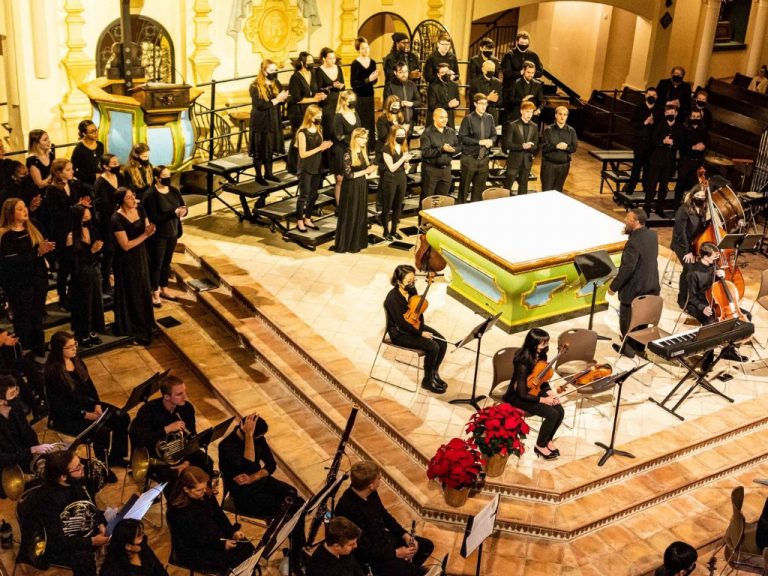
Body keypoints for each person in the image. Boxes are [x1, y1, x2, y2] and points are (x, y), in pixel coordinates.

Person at [218, 414, 306, 569]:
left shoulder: (259, 439)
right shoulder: (226, 446)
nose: (259, 439)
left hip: (259, 482)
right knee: (290, 510)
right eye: (255, 436)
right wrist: (249, 437)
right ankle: (296, 554)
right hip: (244, 495)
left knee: (295, 497)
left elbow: (270, 465)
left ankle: (298, 549)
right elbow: (248, 466)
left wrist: (254, 477)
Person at [45, 331, 130, 471]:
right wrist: (86, 415)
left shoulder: (76, 360)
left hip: (86, 404)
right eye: (70, 347)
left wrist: (96, 404)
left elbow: (90, 385)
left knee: (122, 417)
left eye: (75, 344)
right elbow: (61, 406)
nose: (74, 349)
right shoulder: (53, 373)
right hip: (68, 416)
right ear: (59, 349)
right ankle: (104, 467)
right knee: (102, 430)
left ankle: (116, 457)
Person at [335, 461, 434, 576]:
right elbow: (363, 549)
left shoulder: (370, 493)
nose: (380, 479)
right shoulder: (347, 508)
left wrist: (404, 535)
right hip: (372, 558)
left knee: (425, 546)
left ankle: (408, 568)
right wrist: (395, 553)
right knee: (414, 572)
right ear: (370, 485)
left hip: (383, 541)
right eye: (378, 478)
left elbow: (385, 516)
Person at [33, 450, 109, 576]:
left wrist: (101, 523)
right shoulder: (46, 500)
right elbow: (58, 540)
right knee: (83, 559)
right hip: (61, 545)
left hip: (83, 533)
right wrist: (92, 541)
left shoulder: (76, 483)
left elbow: (92, 508)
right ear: (63, 476)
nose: (83, 467)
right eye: (78, 467)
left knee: (124, 530)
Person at [167, 466, 255, 573]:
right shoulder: (177, 510)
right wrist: (221, 545)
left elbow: (218, 514)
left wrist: (232, 532)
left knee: (247, 547)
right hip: (194, 549)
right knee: (234, 560)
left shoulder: (205, 492)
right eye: (199, 490)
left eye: (204, 488)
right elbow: (194, 537)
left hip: (212, 536)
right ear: (186, 489)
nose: (204, 492)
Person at [129, 374, 212, 484]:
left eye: (184, 392)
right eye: (179, 394)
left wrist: (187, 462)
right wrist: (166, 430)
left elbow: (192, 438)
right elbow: (140, 439)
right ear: (167, 397)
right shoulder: (148, 410)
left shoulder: (187, 408)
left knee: (207, 462)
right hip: (156, 456)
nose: (184, 397)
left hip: (181, 451)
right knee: (173, 479)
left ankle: (206, 493)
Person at [0, 198, 53, 359]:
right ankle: (25, 352)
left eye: (25, 207)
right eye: (20, 209)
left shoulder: (33, 225)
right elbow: (11, 261)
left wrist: (44, 250)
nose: (25, 210)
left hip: (38, 279)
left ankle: (38, 350)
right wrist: (37, 252)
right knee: (24, 317)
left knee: (37, 316)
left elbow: (40, 248)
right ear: (10, 213)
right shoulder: (6, 235)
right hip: (20, 283)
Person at [686, 242, 749, 372]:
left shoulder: (714, 266)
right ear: (705, 256)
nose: (717, 259)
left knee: (746, 316)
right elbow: (692, 298)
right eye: (714, 257)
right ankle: (708, 358)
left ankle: (729, 350)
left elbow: (719, 288)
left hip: (717, 302)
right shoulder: (693, 273)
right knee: (712, 324)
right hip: (700, 305)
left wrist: (722, 277)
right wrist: (703, 307)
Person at [502, 328, 564, 459]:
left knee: (560, 410)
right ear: (533, 343)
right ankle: (540, 446)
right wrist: (544, 400)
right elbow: (522, 393)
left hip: (534, 390)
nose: (546, 346)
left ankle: (547, 440)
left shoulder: (542, 354)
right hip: (518, 396)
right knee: (552, 414)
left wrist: (551, 393)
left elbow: (542, 379)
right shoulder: (522, 361)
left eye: (546, 342)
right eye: (543, 343)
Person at [384, 265, 448, 393]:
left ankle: (434, 373)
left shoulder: (411, 290)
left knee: (442, 341)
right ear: (398, 282)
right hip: (399, 333)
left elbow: (417, 310)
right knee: (433, 347)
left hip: (414, 325)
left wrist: (421, 326)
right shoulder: (393, 298)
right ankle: (427, 380)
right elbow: (401, 324)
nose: (412, 284)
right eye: (409, 281)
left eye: (413, 280)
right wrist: (420, 333)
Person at [608, 208, 660, 358]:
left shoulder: (633, 243)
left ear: (636, 222)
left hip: (634, 289)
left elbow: (627, 268)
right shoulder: (652, 235)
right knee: (642, 318)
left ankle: (628, 349)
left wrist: (613, 286)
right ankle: (639, 347)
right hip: (650, 285)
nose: (625, 220)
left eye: (628, 218)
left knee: (628, 319)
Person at [111, 187, 155, 345]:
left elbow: (147, 227)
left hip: (141, 255)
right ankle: (134, 327)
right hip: (127, 260)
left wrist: (149, 231)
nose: (133, 199)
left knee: (143, 288)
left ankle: (146, 323)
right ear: (122, 201)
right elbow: (126, 245)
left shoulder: (141, 209)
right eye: (129, 197)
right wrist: (145, 235)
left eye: (133, 196)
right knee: (132, 291)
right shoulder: (116, 219)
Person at [0, 375, 55, 497]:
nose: (17, 395)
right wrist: (31, 451)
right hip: (9, 468)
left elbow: (28, 433)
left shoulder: (16, 408)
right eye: (12, 393)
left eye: (16, 390)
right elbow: (2, 458)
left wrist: (38, 454)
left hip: (26, 456)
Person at [46, 158, 90, 310]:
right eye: (68, 170)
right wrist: (77, 206)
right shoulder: (52, 190)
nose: (72, 172)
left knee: (76, 264)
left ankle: (74, 295)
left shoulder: (73, 184)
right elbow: (55, 213)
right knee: (64, 267)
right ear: (59, 172)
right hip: (61, 231)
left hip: (75, 228)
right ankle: (62, 298)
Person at [144, 165, 186, 306]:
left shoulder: (174, 190)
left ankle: (164, 288)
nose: (168, 178)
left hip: (173, 232)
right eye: (165, 176)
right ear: (157, 178)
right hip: (158, 235)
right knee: (157, 264)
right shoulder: (150, 194)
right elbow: (154, 217)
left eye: (169, 175)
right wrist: (173, 214)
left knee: (166, 263)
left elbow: (182, 206)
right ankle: (154, 292)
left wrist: (183, 211)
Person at [68, 205, 105, 346]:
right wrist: (91, 251)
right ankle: (82, 333)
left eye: (89, 217)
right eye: (85, 217)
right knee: (83, 304)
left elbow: (99, 252)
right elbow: (72, 261)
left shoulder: (93, 230)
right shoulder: (72, 236)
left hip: (94, 271)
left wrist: (97, 251)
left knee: (96, 302)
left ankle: (92, 331)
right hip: (80, 275)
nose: (87, 220)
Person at [249, 60, 288, 186]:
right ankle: (258, 176)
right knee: (260, 149)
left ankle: (269, 173)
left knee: (269, 147)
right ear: (264, 71)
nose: (274, 73)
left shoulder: (275, 83)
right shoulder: (255, 86)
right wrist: (277, 100)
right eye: (271, 71)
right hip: (261, 120)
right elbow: (260, 105)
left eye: (275, 70)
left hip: (273, 118)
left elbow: (280, 100)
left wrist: (284, 98)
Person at [335, 128, 374, 254]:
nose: (365, 141)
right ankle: (348, 243)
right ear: (355, 138)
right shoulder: (347, 153)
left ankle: (358, 242)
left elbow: (365, 169)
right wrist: (365, 171)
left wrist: (371, 168)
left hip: (361, 185)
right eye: (362, 138)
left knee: (360, 212)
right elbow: (349, 175)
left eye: (366, 138)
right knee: (351, 213)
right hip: (351, 187)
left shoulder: (363, 151)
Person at [287, 51, 326, 174]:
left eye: (312, 61)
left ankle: (310, 164)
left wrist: (319, 95)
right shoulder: (295, 77)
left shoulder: (313, 73)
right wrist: (314, 99)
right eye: (309, 61)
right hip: (299, 112)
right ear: (302, 63)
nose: (311, 63)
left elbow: (313, 91)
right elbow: (297, 98)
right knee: (298, 138)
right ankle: (293, 166)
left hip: (310, 110)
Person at [295, 105, 333, 233]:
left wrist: (326, 146)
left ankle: (308, 218)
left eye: (320, 117)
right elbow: (303, 154)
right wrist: (320, 148)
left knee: (313, 195)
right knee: (304, 196)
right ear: (310, 117)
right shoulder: (302, 132)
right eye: (318, 117)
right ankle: (299, 221)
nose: (320, 119)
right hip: (306, 167)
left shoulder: (319, 128)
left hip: (317, 166)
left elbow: (320, 146)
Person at [671, 182, 709, 309]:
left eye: (703, 196)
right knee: (689, 268)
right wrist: (688, 251)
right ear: (692, 196)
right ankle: (682, 299)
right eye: (698, 195)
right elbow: (680, 233)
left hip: (694, 245)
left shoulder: (703, 209)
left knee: (703, 267)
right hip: (681, 244)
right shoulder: (683, 210)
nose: (700, 198)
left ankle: (696, 297)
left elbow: (702, 229)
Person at [644, 102, 684, 217]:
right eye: (668, 113)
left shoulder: (679, 127)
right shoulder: (659, 125)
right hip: (657, 160)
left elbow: (681, 143)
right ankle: (647, 206)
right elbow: (653, 140)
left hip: (669, 161)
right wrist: (663, 141)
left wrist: (673, 143)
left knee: (663, 186)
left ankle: (659, 208)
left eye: (672, 113)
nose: (670, 114)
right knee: (652, 185)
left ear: (676, 113)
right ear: (665, 113)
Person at [93, 153, 124, 295]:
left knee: (120, 251)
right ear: (105, 166)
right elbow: (102, 205)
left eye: (117, 162)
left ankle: (120, 279)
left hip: (121, 219)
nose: (117, 165)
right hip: (107, 222)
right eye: (113, 163)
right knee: (109, 252)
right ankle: (106, 282)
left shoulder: (120, 177)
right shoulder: (100, 183)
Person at [458, 93, 496, 203]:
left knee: (479, 191)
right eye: (481, 103)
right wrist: (480, 142)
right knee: (464, 189)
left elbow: (494, 135)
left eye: (486, 103)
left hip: (484, 159)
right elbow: (462, 137)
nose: (484, 106)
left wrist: (491, 141)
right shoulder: (468, 119)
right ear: (475, 104)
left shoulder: (489, 118)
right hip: (470, 159)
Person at [624, 87, 661, 195]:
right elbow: (632, 124)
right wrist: (645, 122)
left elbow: (659, 128)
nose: (651, 97)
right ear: (645, 95)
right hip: (639, 143)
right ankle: (630, 190)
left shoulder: (658, 110)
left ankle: (646, 190)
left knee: (648, 169)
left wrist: (653, 123)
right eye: (649, 95)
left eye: (654, 95)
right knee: (636, 167)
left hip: (651, 145)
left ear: (657, 97)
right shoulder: (639, 108)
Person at [100, 518, 168, 576]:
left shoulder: (141, 546)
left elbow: (158, 567)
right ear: (128, 546)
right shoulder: (113, 571)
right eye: (139, 537)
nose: (143, 538)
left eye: (142, 534)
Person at [501, 31, 543, 121]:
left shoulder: (533, 55)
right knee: (511, 119)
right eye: (521, 43)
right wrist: (520, 73)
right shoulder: (509, 55)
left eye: (526, 43)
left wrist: (529, 73)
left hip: (528, 89)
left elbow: (540, 72)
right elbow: (507, 73)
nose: (524, 45)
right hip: (513, 92)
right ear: (517, 42)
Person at [420, 108, 461, 201]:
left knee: (442, 200)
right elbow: (425, 152)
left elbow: (459, 146)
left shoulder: (451, 131)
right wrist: (441, 149)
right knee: (428, 200)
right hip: (431, 171)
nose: (444, 120)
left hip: (446, 170)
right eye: (441, 117)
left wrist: (453, 150)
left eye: (446, 117)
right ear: (434, 118)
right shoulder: (427, 133)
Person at [380, 127, 412, 240]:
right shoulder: (386, 148)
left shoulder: (404, 147)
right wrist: (403, 159)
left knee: (398, 206)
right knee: (388, 206)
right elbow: (392, 168)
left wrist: (407, 162)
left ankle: (394, 230)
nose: (401, 137)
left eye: (403, 135)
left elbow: (406, 166)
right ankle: (385, 231)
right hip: (390, 179)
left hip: (401, 178)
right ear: (393, 135)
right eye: (399, 135)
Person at [331, 90, 362, 204]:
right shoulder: (338, 116)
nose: (353, 102)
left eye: (354, 100)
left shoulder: (356, 114)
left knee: (353, 179)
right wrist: (353, 138)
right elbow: (338, 136)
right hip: (341, 150)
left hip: (354, 150)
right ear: (344, 101)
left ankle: (351, 204)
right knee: (340, 180)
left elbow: (359, 130)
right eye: (350, 100)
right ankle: (340, 206)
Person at [673, 109, 707, 207]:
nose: (696, 118)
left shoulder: (703, 130)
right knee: (681, 184)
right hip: (685, 161)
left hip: (697, 162)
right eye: (694, 116)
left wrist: (704, 146)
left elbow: (708, 143)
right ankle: (676, 206)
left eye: (698, 117)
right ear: (690, 117)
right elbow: (680, 144)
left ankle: (690, 206)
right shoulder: (684, 128)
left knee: (694, 186)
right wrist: (693, 147)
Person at [503, 101, 539, 194]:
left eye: (531, 112)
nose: (529, 114)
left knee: (523, 188)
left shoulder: (534, 126)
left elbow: (536, 144)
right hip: (514, 160)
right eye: (527, 111)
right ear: (521, 111)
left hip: (527, 161)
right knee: (507, 186)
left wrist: (531, 147)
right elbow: (507, 144)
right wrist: (522, 146)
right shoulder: (513, 125)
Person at [540, 106, 578, 192]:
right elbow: (544, 147)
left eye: (565, 115)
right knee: (546, 191)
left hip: (564, 166)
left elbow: (574, 148)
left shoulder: (571, 131)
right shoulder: (548, 130)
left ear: (567, 117)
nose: (562, 117)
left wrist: (566, 147)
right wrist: (556, 146)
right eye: (560, 114)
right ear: (556, 115)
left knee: (558, 191)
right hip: (549, 166)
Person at [350, 36, 378, 153]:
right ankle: (359, 148)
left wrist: (374, 79)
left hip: (369, 96)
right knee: (360, 121)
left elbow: (374, 81)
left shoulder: (372, 62)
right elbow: (354, 84)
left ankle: (369, 147)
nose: (365, 50)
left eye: (367, 48)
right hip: (360, 97)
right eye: (362, 48)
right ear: (358, 49)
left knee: (369, 122)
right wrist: (368, 79)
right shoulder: (355, 64)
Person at [316, 47, 346, 153]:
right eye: (330, 58)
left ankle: (338, 154)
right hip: (326, 103)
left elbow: (343, 86)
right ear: (324, 59)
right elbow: (319, 88)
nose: (332, 60)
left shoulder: (338, 68)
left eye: (334, 58)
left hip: (338, 102)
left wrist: (340, 86)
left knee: (338, 128)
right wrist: (332, 85)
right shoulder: (319, 70)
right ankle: (327, 159)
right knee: (329, 128)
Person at [383, 62, 421, 130]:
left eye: (406, 71)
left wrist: (411, 104)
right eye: (401, 72)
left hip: (410, 122)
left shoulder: (411, 84)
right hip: (395, 123)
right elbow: (386, 105)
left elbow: (419, 101)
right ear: (395, 72)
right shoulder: (389, 85)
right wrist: (400, 103)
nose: (404, 74)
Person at [375, 95, 407, 169]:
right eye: (394, 105)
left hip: (398, 149)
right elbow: (384, 136)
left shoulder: (400, 117)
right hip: (385, 149)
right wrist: (396, 131)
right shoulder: (382, 119)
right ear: (388, 105)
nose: (397, 107)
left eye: (398, 105)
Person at [70, 120, 104, 188]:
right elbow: (73, 171)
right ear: (84, 134)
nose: (96, 133)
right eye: (92, 132)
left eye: (96, 130)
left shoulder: (100, 145)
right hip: (87, 184)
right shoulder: (79, 149)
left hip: (100, 180)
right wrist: (93, 176)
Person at [427, 62, 461, 128]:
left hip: (449, 120)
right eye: (443, 73)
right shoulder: (433, 87)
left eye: (447, 72)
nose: (446, 75)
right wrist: (448, 105)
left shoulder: (454, 85)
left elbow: (458, 101)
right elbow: (432, 106)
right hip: (436, 121)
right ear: (438, 74)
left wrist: (456, 103)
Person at [469, 59, 503, 123]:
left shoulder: (498, 83)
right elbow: (472, 100)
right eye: (489, 68)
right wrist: (488, 98)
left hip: (492, 115)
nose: (492, 71)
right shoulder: (474, 82)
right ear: (483, 70)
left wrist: (494, 100)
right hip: (477, 115)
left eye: (493, 69)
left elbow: (500, 102)